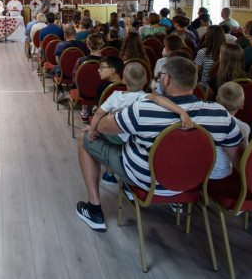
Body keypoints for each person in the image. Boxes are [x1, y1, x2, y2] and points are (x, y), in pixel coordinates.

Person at [75, 56, 242, 231]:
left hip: (146, 178)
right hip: (191, 182)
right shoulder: (220, 114)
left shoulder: (143, 108)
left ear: (167, 79)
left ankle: (94, 211)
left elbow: (102, 127)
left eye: (161, 74)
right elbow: (239, 158)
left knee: (85, 137)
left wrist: (104, 115)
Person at [95, 62, 192, 185]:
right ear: (146, 81)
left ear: (123, 80)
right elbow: (158, 98)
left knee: (98, 136)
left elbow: (99, 113)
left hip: (115, 133)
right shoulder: (144, 97)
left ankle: (108, 173)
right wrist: (181, 112)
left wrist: (92, 128)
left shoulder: (116, 95)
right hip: (132, 139)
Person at [209, 82, 251, 179]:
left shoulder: (206, 118)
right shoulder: (244, 128)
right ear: (242, 105)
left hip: (203, 170)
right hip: (223, 174)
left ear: (216, 100)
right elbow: (243, 160)